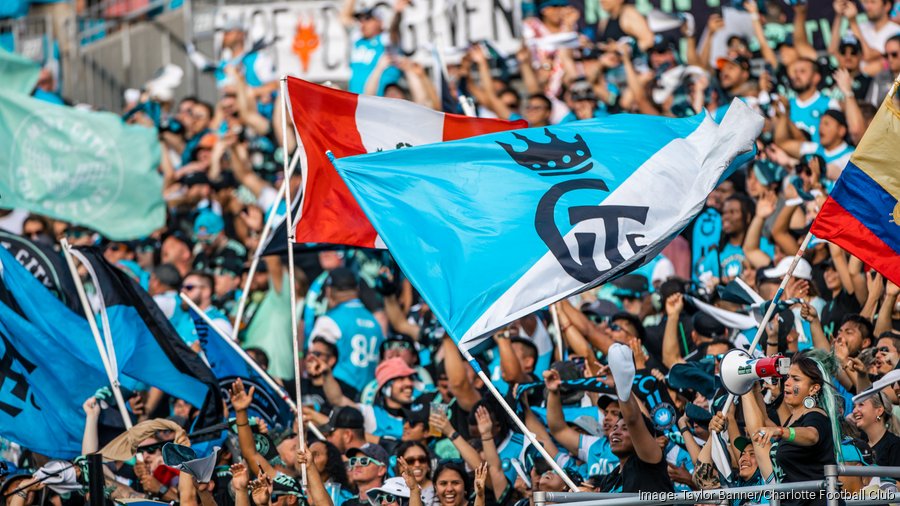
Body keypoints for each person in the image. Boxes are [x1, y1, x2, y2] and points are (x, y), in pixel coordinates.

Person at [753, 350, 843, 506]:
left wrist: (780, 431)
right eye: (787, 377)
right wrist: (750, 385)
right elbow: (762, 420)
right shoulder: (791, 419)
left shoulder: (816, 415)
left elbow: (811, 435)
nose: (787, 382)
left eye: (795, 379)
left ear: (814, 388)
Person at [309, 267, 386, 400]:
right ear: (357, 289)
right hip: (369, 396)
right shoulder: (374, 321)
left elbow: (313, 359)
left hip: (339, 392)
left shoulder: (329, 320)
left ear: (329, 291)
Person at [851, 392, 900, 466]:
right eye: (854, 406)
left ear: (879, 411)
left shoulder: (895, 445)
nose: (854, 411)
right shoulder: (858, 446)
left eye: (861, 404)